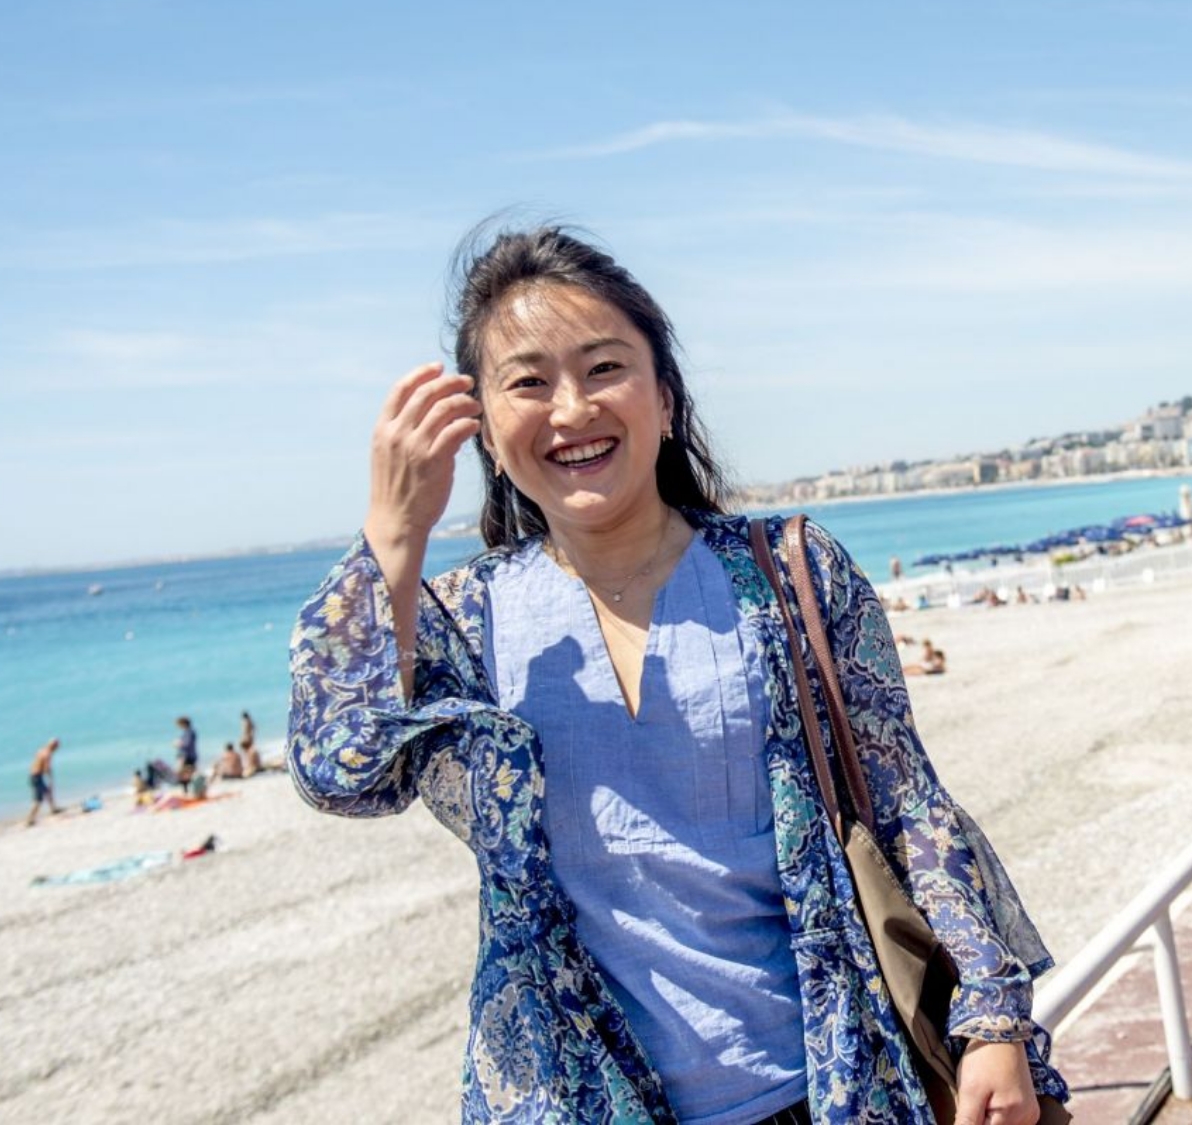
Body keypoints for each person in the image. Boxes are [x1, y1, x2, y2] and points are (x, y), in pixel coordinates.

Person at [287, 223, 1066, 1124]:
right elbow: (339, 773)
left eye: (603, 368)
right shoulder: (464, 622)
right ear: (487, 434)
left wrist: (992, 1019)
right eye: (528, 383)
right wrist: (394, 533)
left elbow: (908, 802)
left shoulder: (789, 572)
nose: (571, 409)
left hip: (831, 1085)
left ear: (663, 398)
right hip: (577, 1100)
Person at [26, 738, 63, 826]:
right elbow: (47, 769)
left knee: (47, 792)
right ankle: (29, 819)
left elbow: (36, 761)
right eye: (57, 747)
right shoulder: (48, 754)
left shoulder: (41, 750)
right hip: (37, 777)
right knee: (38, 800)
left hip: (33, 775)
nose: (57, 749)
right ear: (54, 747)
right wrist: (50, 779)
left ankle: (53, 809)